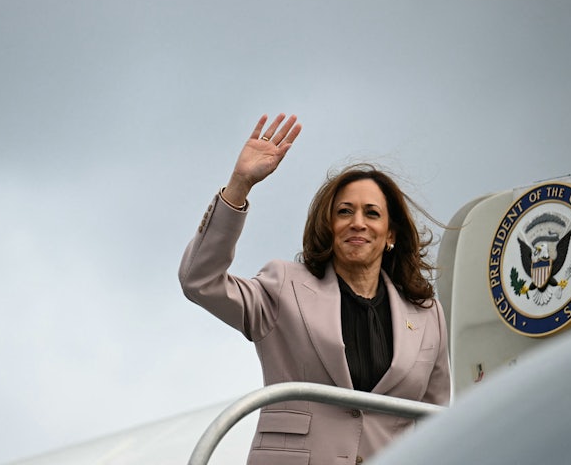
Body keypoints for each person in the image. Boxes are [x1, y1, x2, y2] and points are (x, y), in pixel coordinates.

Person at [179, 113, 451, 465]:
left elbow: (437, 423)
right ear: (329, 225)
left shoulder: (428, 314)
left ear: (392, 235)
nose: (358, 222)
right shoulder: (283, 287)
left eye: (372, 213)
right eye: (344, 211)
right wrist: (239, 186)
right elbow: (199, 281)